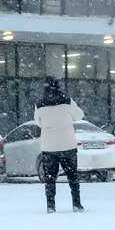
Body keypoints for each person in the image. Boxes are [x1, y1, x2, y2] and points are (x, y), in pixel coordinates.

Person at [35, 78, 85, 214]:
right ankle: (76, 204)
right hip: (67, 145)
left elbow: (38, 123)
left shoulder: (39, 105)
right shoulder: (68, 102)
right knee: (73, 177)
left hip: (49, 147)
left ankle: (50, 206)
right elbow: (80, 115)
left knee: (50, 179)